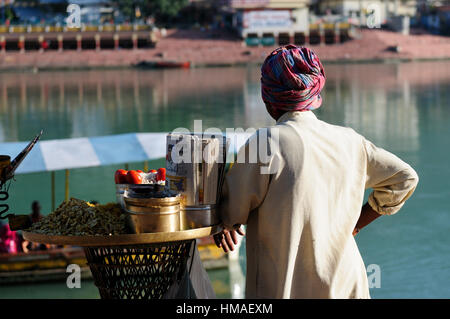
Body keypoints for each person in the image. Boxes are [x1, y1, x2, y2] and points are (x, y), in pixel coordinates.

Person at [214, 45, 419, 299]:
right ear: (314, 93)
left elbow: (230, 211)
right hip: (348, 285)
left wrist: (223, 222)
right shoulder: (350, 141)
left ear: (268, 97)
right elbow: (405, 178)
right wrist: (356, 225)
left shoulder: (265, 142)